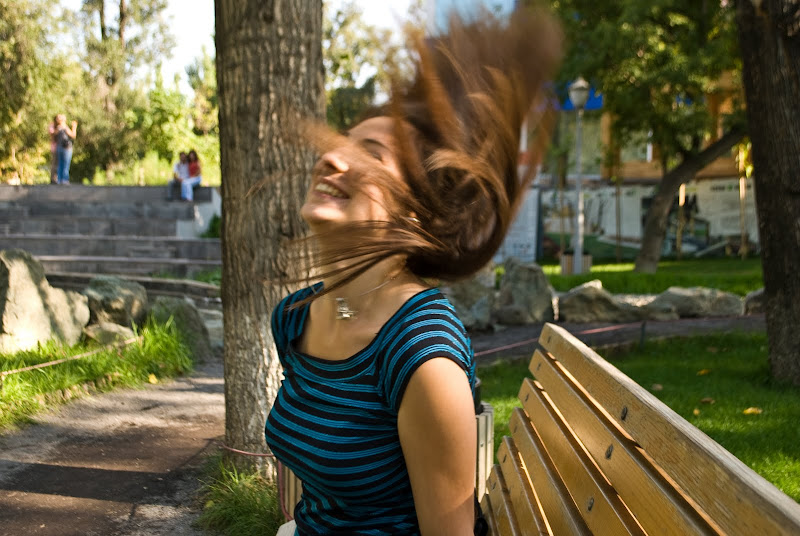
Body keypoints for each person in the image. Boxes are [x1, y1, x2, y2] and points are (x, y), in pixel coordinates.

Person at [265, 9, 561, 536]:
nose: (332, 158)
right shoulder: (296, 318)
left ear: (414, 211)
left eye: (369, 155)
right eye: (342, 143)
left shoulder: (422, 355)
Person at [54, 114, 78, 184]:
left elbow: (73, 135)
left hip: (65, 148)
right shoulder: (60, 128)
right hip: (63, 148)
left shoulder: (63, 128)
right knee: (62, 164)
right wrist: (74, 127)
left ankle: (62, 179)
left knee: (64, 164)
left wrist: (74, 127)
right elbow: (73, 135)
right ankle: (62, 179)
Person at [48, 115, 59, 184]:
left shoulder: (61, 126)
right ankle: (53, 179)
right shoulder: (52, 125)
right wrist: (58, 129)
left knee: (58, 164)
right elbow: (52, 133)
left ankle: (58, 178)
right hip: (54, 147)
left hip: (61, 147)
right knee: (54, 163)